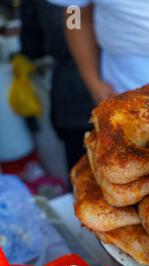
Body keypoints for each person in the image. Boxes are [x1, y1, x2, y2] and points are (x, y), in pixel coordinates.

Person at [20, 0, 95, 170]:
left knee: (82, 174)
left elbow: (32, 47)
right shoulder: (73, 8)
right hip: (86, 98)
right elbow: (74, 25)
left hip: (77, 98)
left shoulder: (72, 8)